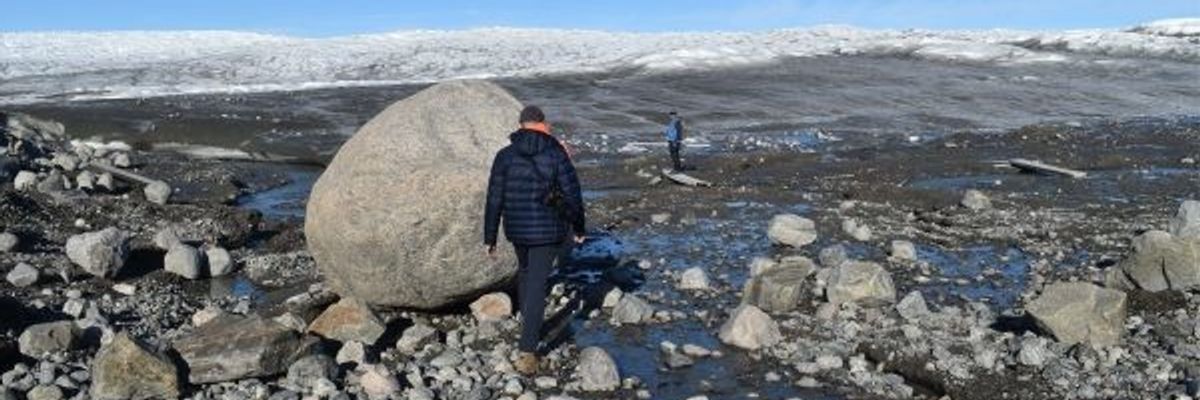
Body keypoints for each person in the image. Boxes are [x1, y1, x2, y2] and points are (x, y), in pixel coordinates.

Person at [484, 105, 587, 376]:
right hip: (548, 231)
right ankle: (528, 350)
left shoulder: (504, 156)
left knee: (526, 275)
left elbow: (494, 198)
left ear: (520, 125)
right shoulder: (555, 153)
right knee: (538, 284)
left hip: (517, 230)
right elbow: (573, 194)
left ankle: (527, 323)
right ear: (542, 123)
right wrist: (578, 227)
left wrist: (490, 236)